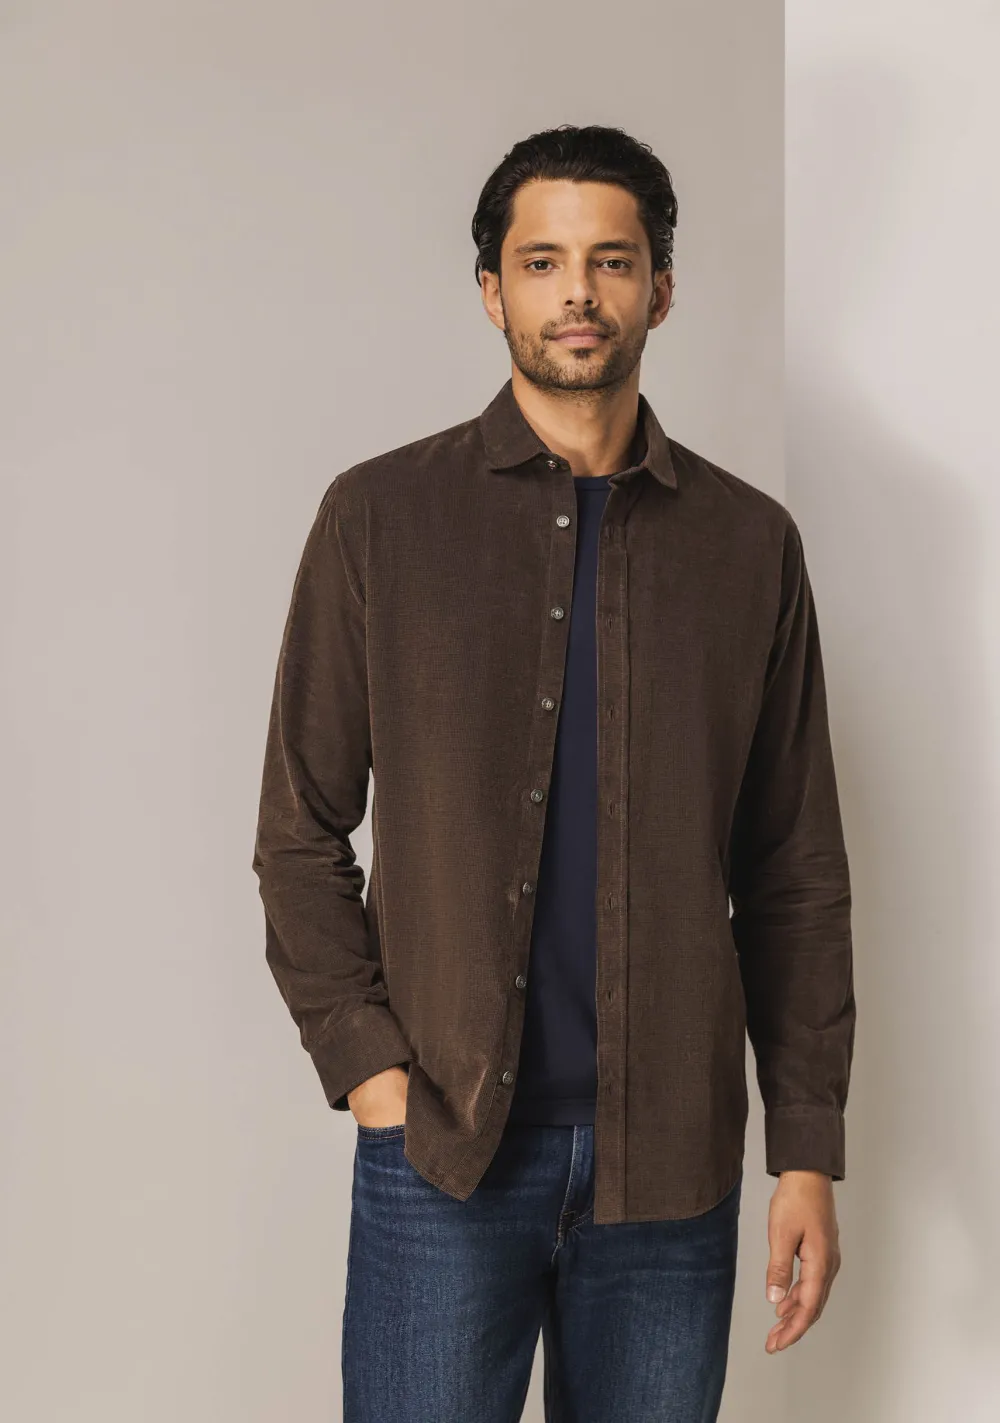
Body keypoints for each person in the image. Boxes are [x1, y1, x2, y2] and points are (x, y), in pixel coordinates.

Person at [252, 123, 855, 1422]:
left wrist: (806, 1147)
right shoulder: (379, 517)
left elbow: (794, 868)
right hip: (443, 1152)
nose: (578, 292)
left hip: (672, 1168)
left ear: (662, 288)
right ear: (493, 291)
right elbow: (299, 828)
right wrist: (370, 1067)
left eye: (611, 261)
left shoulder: (749, 546)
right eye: (542, 262)